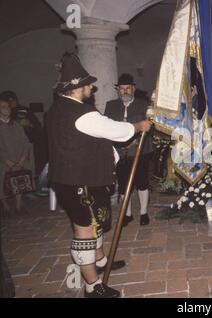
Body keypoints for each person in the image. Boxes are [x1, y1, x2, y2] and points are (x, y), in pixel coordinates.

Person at [46, 53, 152, 298]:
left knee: (95, 223)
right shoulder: (82, 112)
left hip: (70, 178)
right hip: (81, 181)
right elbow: (116, 130)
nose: (91, 88)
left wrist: (112, 150)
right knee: (84, 229)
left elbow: (82, 141)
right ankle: (92, 285)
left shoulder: (56, 110)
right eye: (87, 85)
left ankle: (101, 260)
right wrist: (138, 127)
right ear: (76, 89)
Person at [105, 74, 153, 227]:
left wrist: (135, 141)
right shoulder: (110, 105)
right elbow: (108, 127)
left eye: (127, 88)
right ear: (117, 90)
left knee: (142, 182)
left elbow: (151, 127)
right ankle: (127, 214)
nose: (124, 91)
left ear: (133, 89)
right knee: (123, 182)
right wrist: (118, 143)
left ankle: (144, 212)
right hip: (119, 151)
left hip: (140, 149)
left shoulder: (144, 104)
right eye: (121, 89)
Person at [0, 96, 34, 215]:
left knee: (20, 180)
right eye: (3, 107)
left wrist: (22, 158)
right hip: (4, 161)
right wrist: (5, 160)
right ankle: (5, 206)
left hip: (19, 158)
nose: (7, 109)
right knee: (3, 182)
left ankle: (19, 205)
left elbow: (25, 142)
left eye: (8, 107)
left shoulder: (16, 124)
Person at [0, 91, 47, 177]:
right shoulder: (6, 119)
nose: (11, 103)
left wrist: (29, 124)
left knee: (25, 177)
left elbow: (37, 127)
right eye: (8, 101)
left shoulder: (24, 110)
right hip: (7, 157)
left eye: (13, 99)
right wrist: (7, 161)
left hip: (25, 148)